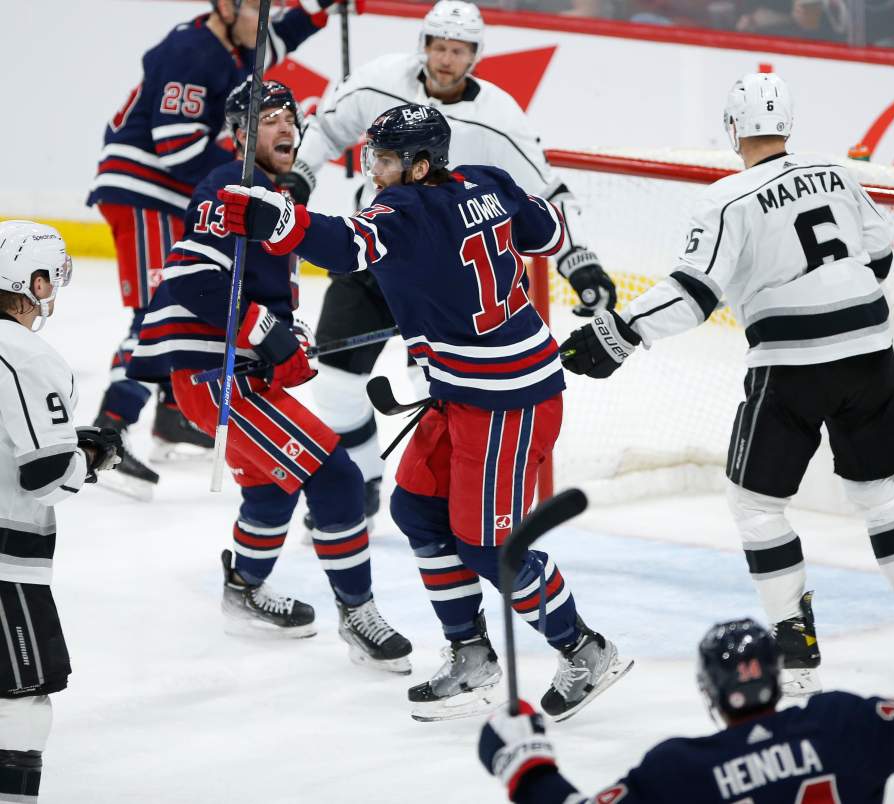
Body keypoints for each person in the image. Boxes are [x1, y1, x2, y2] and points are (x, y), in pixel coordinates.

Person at [217, 103, 632, 721]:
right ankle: (471, 656)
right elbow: (546, 233)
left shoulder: (404, 211)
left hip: (507, 398)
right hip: (468, 389)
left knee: (489, 546)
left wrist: (271, 214)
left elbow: (342, 246)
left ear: (418, 165)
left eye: (384, 160)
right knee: (415, 507)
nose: (374, 171)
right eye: (373, 157)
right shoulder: (486, 181)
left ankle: (586, 650)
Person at [559, 72, 894, 694]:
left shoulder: (726, 199)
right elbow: (882, 254)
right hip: (870, 348)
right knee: (881, 491)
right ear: (788, 125)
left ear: (733, 130)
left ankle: (795, 645)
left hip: (792, 362)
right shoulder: (837, 174)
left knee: (757, 504)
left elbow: (693, 293)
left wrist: (618, 332)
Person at [279, 0, 617, 531]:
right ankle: (364, 482)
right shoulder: (380, 81)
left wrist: (582, 263)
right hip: (376, 254)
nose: (445, 59)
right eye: (438, 46)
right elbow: (326, 128)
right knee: (336, 384)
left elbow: (547, 194)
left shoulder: (499, 116)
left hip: (446, 282)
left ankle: (455, 496)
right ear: (424, 45)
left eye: (457, 50)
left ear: (474, 55)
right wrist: (299, 178)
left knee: (435, 392)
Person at [125, 78, 411, 672]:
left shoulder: (271, 194)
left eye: (289, 118)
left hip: (238, 375)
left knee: (272, 486)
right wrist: (268, 334)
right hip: (215, 377)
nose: (285, 128)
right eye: (268, 119)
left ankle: (244, 591)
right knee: (335, 477)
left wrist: (287, 332)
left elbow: (254, 296)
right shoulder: (231, 186)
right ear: (240, 134)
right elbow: (193, 282)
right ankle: (358, 614)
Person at [85, 0, 339, 499]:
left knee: (187, 303)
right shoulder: (193, 51)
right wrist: (255, 158)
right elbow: (176, 149)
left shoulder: (232, 45)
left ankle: (173, 416)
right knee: (159, 308)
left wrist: (314, 12)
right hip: (146, 190)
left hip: (166, 193)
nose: (265, 23)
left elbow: (268, 37)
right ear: (226, 7)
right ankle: (108, 432)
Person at [477, 565, 894, 803]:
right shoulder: (846, 722)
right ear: (776, 676)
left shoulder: (677, 772)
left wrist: (528, 768)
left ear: (710, 692)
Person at [0, 221, 123, 802]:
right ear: (34, 281)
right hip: (6, 563)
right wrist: (91, 456)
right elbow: (46, 475)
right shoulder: (25, 353)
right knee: (23, 701)